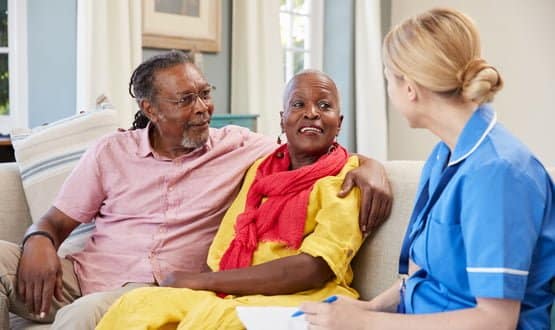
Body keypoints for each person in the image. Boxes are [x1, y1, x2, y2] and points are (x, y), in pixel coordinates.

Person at [0, 52, 392, 329]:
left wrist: (372, 166)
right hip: (80, 274)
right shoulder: (111, 151)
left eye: (205, 94)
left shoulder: (240, 147)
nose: (203, 108)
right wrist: (39, 240)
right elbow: (54, 221)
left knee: (86, 314)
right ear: (150, 109)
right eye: (185, 100)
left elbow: (311, 145)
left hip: (150, 288)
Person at [301, 8, 555, 330]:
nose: (389, 90)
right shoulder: (443, 156)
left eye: (389, 78)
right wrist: (366, 309)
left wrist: (366, 323)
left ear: (410, 88)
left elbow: (496, 321)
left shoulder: (498, 174)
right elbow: (422, 275)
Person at [94, 69, 364, 329]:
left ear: (339, 123)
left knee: (216, 321)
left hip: (308, 295)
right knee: (137, 304)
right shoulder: (262, 168)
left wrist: (202, 282)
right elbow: (226, 244)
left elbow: (315, 268)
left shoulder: (348, 179)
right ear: (282, 120)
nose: (311, 113)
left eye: (325, 106)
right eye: (298, 104)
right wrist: (211, 284)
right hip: (237, 292)